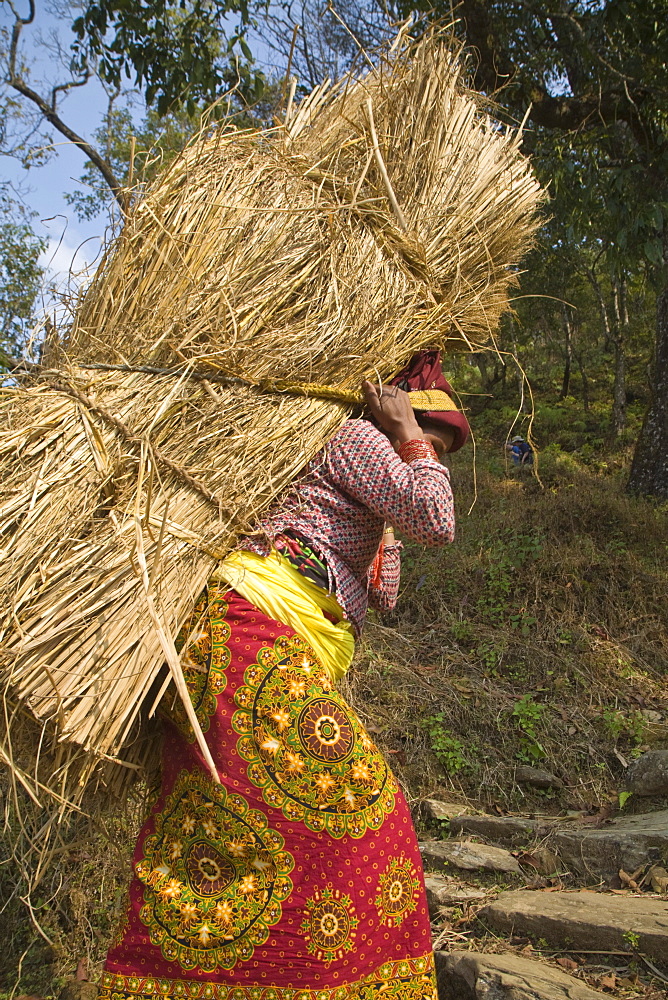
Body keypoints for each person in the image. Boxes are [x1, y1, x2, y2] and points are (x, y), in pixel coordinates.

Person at [98, 351, 470, 1000]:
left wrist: (388, 515)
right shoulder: (355, 437)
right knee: (367, 812)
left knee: (221, 848)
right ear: (391, 413)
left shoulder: (360, 468)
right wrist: (410, 440)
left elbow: (386, 593)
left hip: (262, 635)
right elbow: (438, 518)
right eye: (426, 439)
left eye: (437, 449)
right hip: (253, 625)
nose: (428, 457)